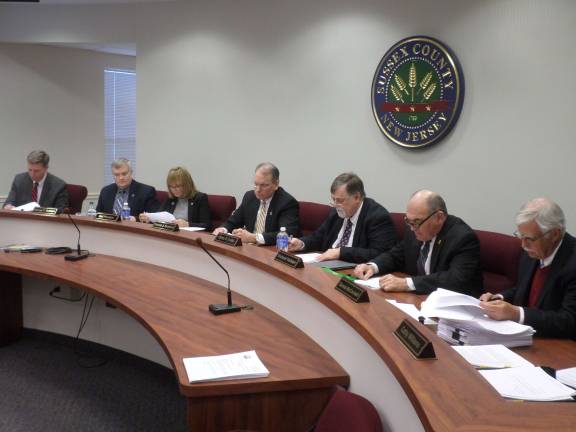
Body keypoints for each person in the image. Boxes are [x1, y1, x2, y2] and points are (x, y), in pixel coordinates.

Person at [354, 189, 482, 296]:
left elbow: (455, 280)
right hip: (420, 299)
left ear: (439, 217)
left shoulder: (462, 238)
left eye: (416, 222)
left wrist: (407, 283)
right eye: (408, 220)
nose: (412, 227)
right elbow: (396, 255)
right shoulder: (415, 228)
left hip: (456, 309)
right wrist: (373, 266)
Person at [480, 198, 576, 338]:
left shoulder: (572, 263)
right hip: (527, 338)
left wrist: (516, 314)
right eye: (521, 236)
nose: (523, 245)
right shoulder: (532, 252)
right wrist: (499, 298)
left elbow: (569, 321)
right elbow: (524, 290)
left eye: (529, 239)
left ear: (555, 234)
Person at [288, 173, 396, 263]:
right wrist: (301, 243)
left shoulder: (377, 217)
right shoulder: (337, 212)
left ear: (357, 197)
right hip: (327, 265)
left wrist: (341, 252)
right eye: (333, 199)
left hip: (353, 270)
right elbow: (318, 237)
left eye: (339, 201)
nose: (335, 205)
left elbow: (380, 254)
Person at [212, 162, 299, 245]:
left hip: (272, 252)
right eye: (256, 184)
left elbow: (287, 233)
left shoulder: (287, 202)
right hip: (250, 249)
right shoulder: (249, 197)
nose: (258, 190)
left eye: (263, 185)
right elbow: (234, 221)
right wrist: (223, 229)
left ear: (276, 184)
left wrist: (255, 238)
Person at [139, 166, 211, 229]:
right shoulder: (171, 199)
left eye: (178, 186)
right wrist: (149, 219)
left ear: (187, 184)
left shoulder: (200, 198)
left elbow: (207, 225)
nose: (174, 190)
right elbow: (159, 217)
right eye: (171, 187)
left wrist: (188, 224)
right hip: (170, 234)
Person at [3, 150, 68, 212]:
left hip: (46, 222)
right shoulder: (19, 180)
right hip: (21, 221)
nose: (32, 174)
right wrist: (8, 206)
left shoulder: (59, 186)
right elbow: (8, 202)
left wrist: (37, 211)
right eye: (30, 170)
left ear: (46, 168)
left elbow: (59, 211)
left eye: (36, 171)